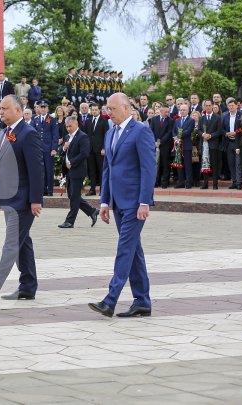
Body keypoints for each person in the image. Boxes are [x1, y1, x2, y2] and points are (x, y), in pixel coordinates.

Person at [88, 93, 156, 318]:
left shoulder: (141, 131)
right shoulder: (110, 133)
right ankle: (142, 301)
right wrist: (105, 202)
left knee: (124, 250)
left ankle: (110, 300)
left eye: (112, 108)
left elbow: (148, 169)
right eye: (107, 108)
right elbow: (108, 169)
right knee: (134, 251)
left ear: (126, 108)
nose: (109, 112)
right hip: (117, 202)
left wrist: (145, 202)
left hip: (136, 203)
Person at [0, 95, 44, 300]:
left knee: (12, 243)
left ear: (18, 111)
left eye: (5, 108)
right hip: (8, 199)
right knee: (23, 244)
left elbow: (36, 169)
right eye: (0, 108)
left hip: (22, 200)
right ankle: (27, 287)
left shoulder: (28, 133)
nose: (1, 112)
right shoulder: (6, 132)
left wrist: (36, 200)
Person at [58, 118, 99, 228]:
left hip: (78, 170)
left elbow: (84, 153)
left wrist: (72, 162)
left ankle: (69, 221)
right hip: (69, 171)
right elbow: (61, 151)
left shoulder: (82, 136)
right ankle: (92, 211)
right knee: (72, 195)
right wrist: (63, 148)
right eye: (66, 127)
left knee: (74, 197)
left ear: (76, 124)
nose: (68, 129)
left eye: (70, 126)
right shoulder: (67, 137)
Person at [33, 102, 58, 195]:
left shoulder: (52, 119)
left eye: (44, 107)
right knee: (41, 170)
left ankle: (50, 190)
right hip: (39, 149)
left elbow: (55, 135)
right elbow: (32, 134)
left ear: (47, 109)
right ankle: (43, 190)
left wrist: (54, 148)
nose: (43, 109)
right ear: (38, 108)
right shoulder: (35, 119)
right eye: (41, 107)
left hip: (48, 149)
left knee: (49, 170)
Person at [84, 103, 109, 195]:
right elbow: (85, 136)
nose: (94, 111)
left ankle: (103, 189)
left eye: (95, 109)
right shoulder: (88, 121)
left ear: (99, 110)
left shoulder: (104, 121)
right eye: (92, 110)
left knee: (101, 169)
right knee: (92, 170)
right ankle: (92, 189)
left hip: (100, 150)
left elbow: (106, 135)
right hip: (90, 150)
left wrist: (104, 147)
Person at [199, 100, 223, 189]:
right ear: (204, 106)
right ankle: (205, 183)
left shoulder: (217, 117)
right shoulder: (202, 118)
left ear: (212, 106)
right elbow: (199, 130)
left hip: (214, 144)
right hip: (204, 144)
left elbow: (219, 131)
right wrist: (203, 135)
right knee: (205, 163)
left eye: (209, 105)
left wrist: (211, 135)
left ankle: (215, 184)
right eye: (206, 105)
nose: (208, 107)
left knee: (214, 164)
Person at [222, 98, 242, 189]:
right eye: (229, 106)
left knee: (238, 163)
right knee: (231, 163)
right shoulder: (225, 116)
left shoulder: (241, 115)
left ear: (236, 105)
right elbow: (221, 129)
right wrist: (226, 133)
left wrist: (236, 132)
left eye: (232, 105)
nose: (231, 107)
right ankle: (233, 181)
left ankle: (239, 181)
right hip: (229, 142)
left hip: (238, 143)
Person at [173, 104, 194, 189]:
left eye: (184, 110)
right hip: (178, 145)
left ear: (188, 111)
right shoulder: (177, 120)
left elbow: (189, 131)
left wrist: (179, 136)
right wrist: (175, 138)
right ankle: (180, 181)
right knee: (179, 164)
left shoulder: (191, 120)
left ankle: (189, 182)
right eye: (181, 110)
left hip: (186, 145)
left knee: (187, 164)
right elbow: (173, 130)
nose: (182, 111)